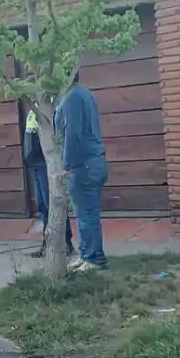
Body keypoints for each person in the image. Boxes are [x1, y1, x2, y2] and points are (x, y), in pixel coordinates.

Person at [57, 71, 108, 271]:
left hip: (83, 164)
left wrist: (66, 164)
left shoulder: (72, 98)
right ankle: (86, 253)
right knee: (86, 213)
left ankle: (94, 258)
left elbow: (72, 134)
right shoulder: (84, 92)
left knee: (86, 214)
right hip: (94, 160)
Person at [24, 108, 74, 258]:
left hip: (46, 163)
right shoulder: (33, 108)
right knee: (43, 206)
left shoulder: (49, 107)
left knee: (53, 203)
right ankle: (48, 244)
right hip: (36, 165)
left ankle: (64, 243)